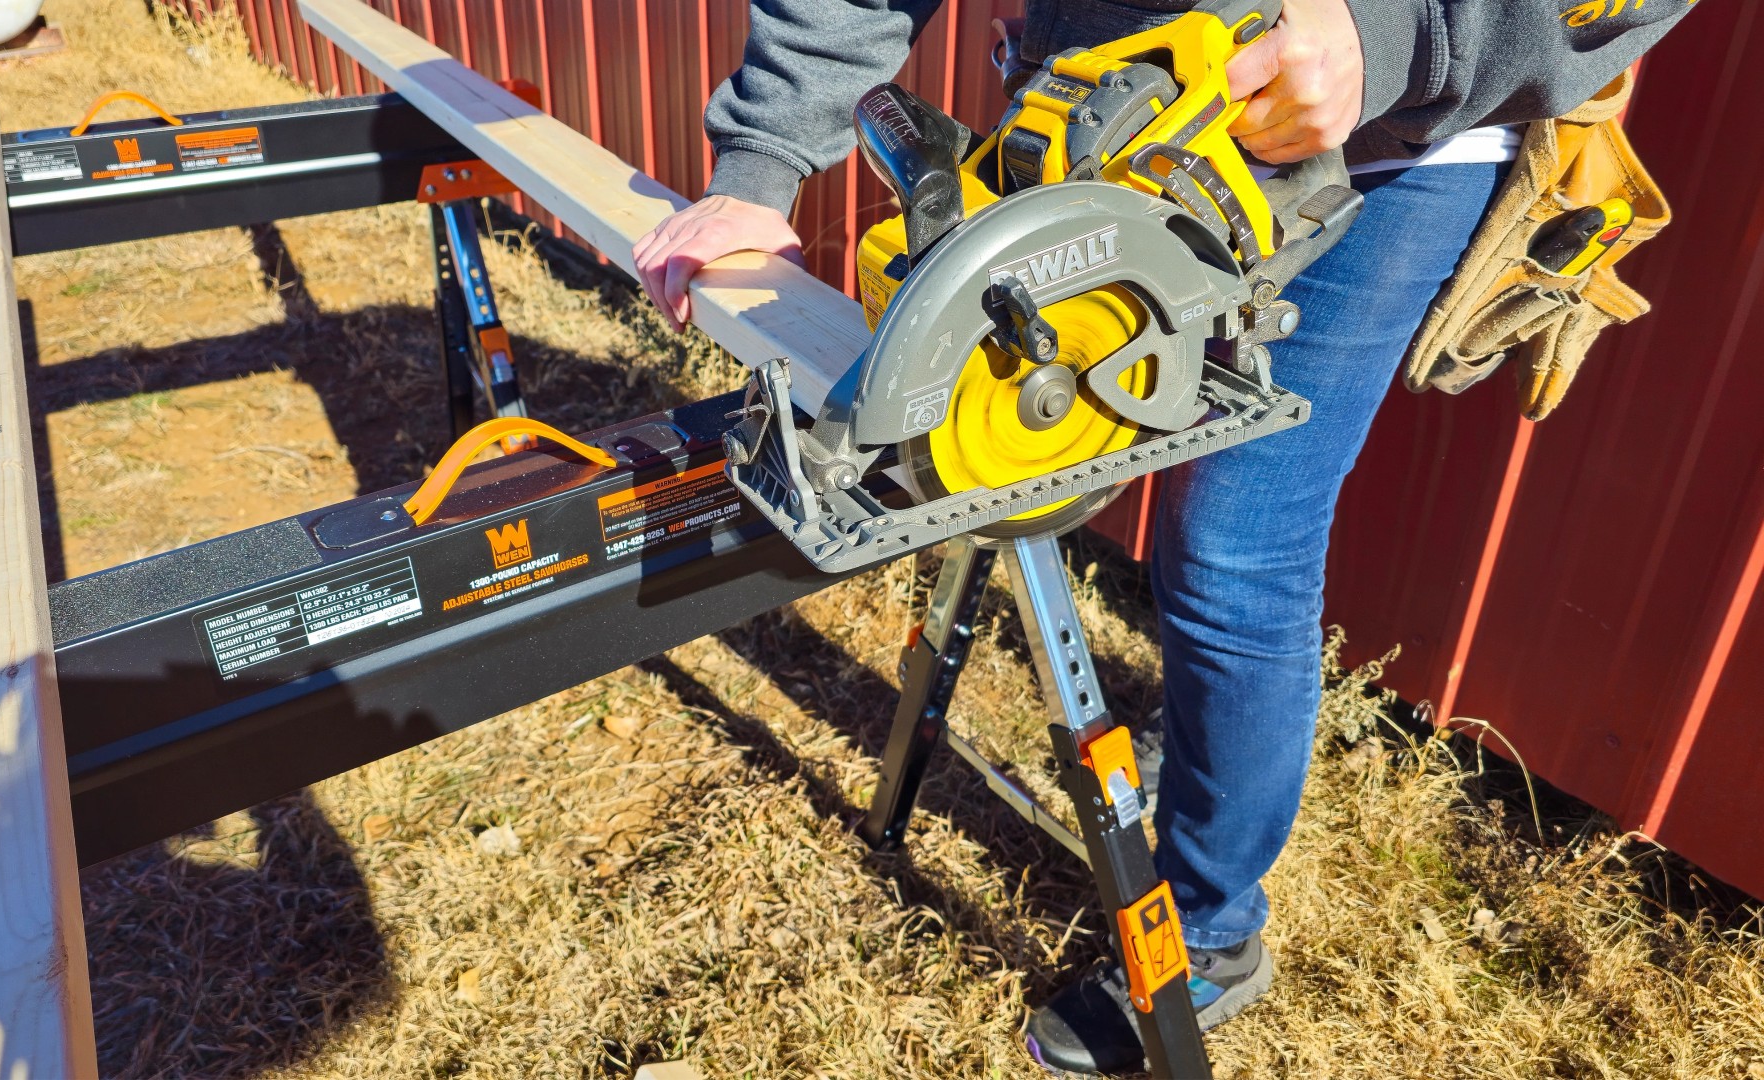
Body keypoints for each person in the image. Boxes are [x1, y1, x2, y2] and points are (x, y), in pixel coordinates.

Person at [634, 1, 1697, 1074]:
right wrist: (761, 163)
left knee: (1236, 549)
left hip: (1383, 139)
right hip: (1109, 104)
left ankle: (1212, 927)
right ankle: (1200, 749)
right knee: (1048, 435)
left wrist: (1395, 36)